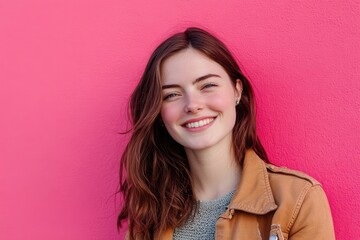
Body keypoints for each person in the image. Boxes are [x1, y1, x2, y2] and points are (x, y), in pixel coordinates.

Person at [117, 27, 335, 240]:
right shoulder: (149, 213)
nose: (192, 105)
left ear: (237, 91)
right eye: (172, 94)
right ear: (159, 113)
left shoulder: (297, 200)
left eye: (208, 85)